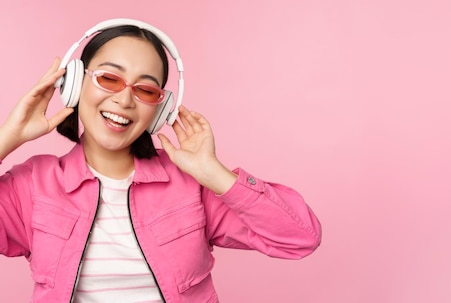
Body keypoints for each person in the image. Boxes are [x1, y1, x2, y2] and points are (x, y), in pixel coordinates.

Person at [0, 19, 321, 303]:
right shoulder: (32, 186)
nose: (124, 100)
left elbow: (300, 237)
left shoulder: (193, 185)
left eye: (146, 89)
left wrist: (214, 173)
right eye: (109, 79)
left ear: (161, 108)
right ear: (74, 84)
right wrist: (8, 137)